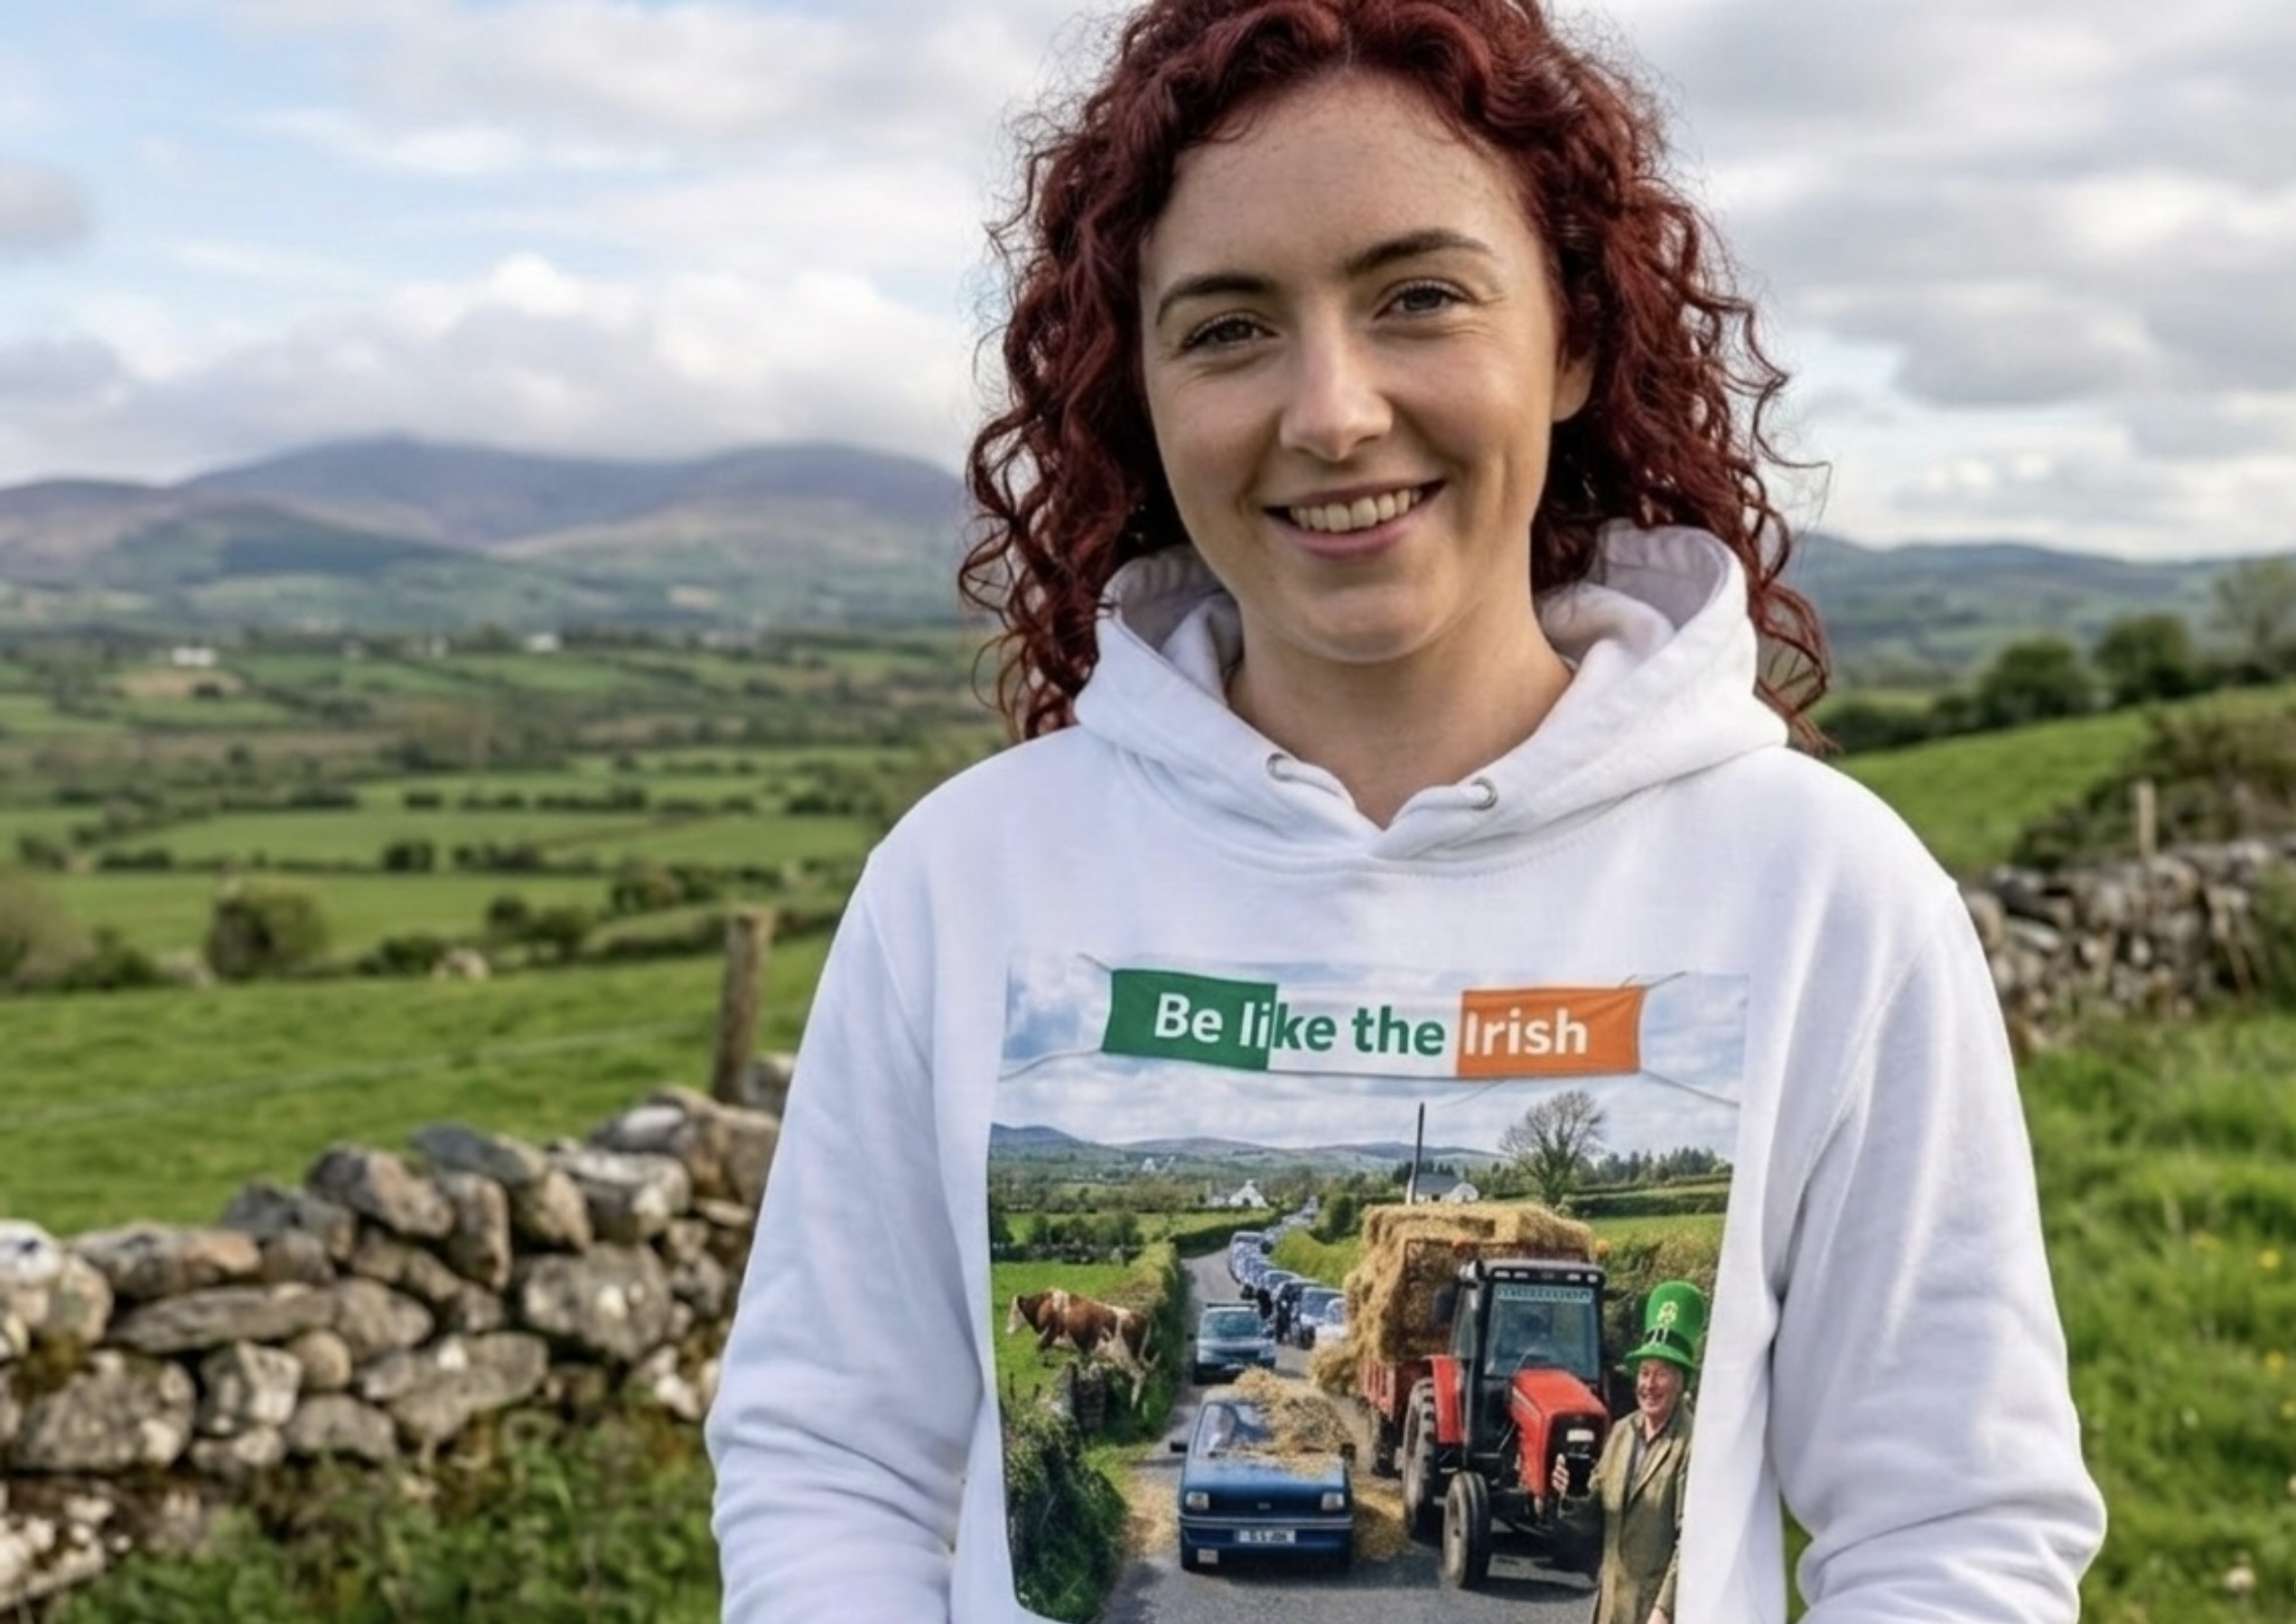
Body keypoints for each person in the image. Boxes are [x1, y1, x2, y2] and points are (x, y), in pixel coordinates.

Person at [705, 1, 2107, 1619]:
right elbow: (834, 1459)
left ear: (1572, 336)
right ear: (1141, 394)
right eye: (1228, 328)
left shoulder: (1820, 889)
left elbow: (1948, 1526)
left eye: (1418, 295)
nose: (1333, 410)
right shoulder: (962, 879)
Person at [1554, 1281, 1705, 1624]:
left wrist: (1664, 1609)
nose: (1649, 1384)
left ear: (1682, 1381)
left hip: (1654, 1614)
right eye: (1645, 1372)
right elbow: (1593, 1518)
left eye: (1662, 1373)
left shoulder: (1692, 1446)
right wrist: (1570, 1494)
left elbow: (1692, 1540)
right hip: (1609, 1609)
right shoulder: (1622, 1432)